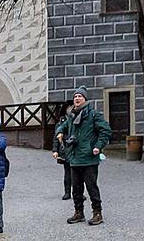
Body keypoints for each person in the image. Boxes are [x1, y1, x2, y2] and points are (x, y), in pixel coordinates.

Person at [55, 86, 111, 226]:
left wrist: (98, 146)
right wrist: (60, 131)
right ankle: (78, 213)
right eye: (75, 97)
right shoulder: (71, 116)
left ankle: (97, 213)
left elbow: (106, 131)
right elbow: (62, 126)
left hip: (89, 158)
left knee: (92, 188)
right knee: (76, 189)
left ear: (85, 99)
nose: (77, 99)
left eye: (80, 96)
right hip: (74, 158)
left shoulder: (92, 115)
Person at [52, 100, 75, 200]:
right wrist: (55, 150)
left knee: (77, 173)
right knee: (68, 172)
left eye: (72, 107)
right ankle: (67, 192)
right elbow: (56, 137)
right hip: (65, 148)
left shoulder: (76, 119)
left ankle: (77, 192)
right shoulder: (61, 122)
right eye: (69, 107)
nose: (70, 109)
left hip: (75, 148)